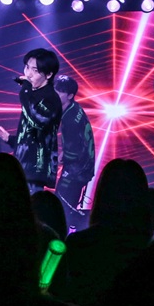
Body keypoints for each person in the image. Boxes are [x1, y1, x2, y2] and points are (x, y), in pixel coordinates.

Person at [0, 48, 63, 193]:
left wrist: (25, 89)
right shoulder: (34, 95)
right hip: (23, 167)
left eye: (35, 70)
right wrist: (10, 139)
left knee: (30, 205)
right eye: (27, 67)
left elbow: (37, 121)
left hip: (35, 169)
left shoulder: (50, 98)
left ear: (49, 74)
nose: (28, 74)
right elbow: (33, 136)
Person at [52, 74, 95, 230]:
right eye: (55, 90)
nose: (55, 94)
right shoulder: (74, 108)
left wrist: (57, 160)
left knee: (61, 206)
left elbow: (74, 153)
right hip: (84, 164)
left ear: (70, 96)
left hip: (77, 170)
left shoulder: (70, 120)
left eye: (60, 92)